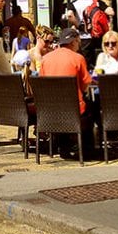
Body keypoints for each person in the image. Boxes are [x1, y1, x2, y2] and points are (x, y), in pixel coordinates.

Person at [38, 27, 94, 157]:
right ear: (74, 42)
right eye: (78, 42)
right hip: (74, 110)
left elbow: (42, 84)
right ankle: (88, 149)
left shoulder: (46, 59)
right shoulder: (78, 58)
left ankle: (63, 145)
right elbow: (86, 84)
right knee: (92, 107)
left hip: (50, 110)